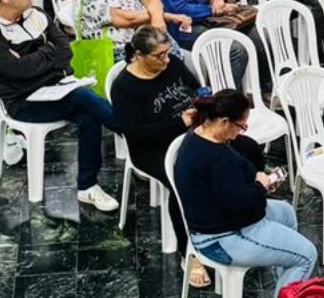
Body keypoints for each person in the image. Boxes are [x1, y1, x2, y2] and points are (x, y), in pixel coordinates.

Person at [111, 27, 265, 289]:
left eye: (167, 53)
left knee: (248, 147)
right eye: (158, 56)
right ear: (138, 55)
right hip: (154, 148)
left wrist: (204, 105)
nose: (166, 60)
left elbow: (197, 89)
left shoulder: (173, 65)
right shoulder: (125, 87)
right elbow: (135, 134)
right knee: (183, 184)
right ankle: (190, 251)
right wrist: (177, 123)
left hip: (195, 134)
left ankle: (245, 209)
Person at [0, 0, 119, 210]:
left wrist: (38, 58)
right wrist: (47, 52)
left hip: (57, 88)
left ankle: (87, 187)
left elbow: (65, 50)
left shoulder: (37, 14)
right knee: (84, 97)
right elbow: (20, 74)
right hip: (23, 103)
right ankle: (132, 131)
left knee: (88, 115)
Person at [174, 88, 317, 290]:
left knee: (286, 212)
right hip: (221, 239)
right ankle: (290, 282)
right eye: (241, 126)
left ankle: (285, 282)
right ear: (224, 121)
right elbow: (240, 204)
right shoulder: (216, 159)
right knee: (307, 255)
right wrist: (260, 187)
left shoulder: (201, 135)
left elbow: (240, 171)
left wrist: (259, 179)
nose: (241, 131)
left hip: (222, 223)